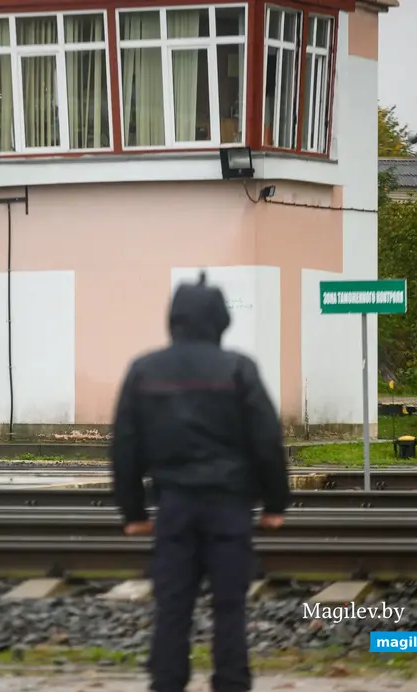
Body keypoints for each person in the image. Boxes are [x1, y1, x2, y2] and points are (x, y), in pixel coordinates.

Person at [109, 273, 290, 692]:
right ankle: (231, 681)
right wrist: (276, 503)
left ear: (173, 318)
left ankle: (168, 681)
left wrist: (133, 512)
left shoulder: (144, 370)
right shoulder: (238, 369)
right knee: (230, 605)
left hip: (174, 507)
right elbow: (266, 439)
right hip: (230, 509)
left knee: (173, 603)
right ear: (221, 320)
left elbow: (125, 446)